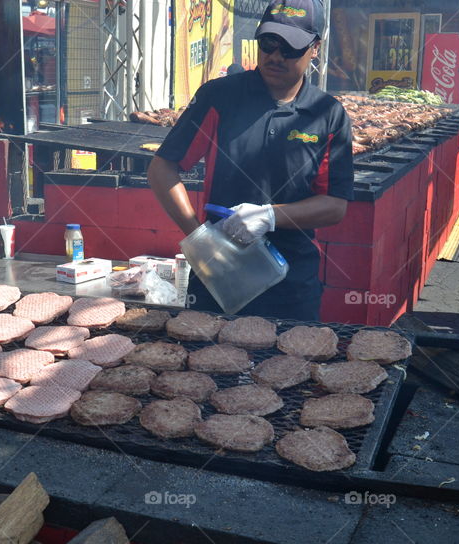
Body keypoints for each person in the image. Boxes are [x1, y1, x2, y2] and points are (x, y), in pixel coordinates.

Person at [148, 0, 352, 321]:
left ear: (315, 48)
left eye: (290, 47)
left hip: (292, 280)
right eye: (268, 43)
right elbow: (162, 168)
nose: (275, 56)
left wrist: (271, 216)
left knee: (289, 365)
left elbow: (335, 205)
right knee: (206, 362)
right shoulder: (220, 96)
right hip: (219, 272)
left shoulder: (327, 114)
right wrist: (200, 239)